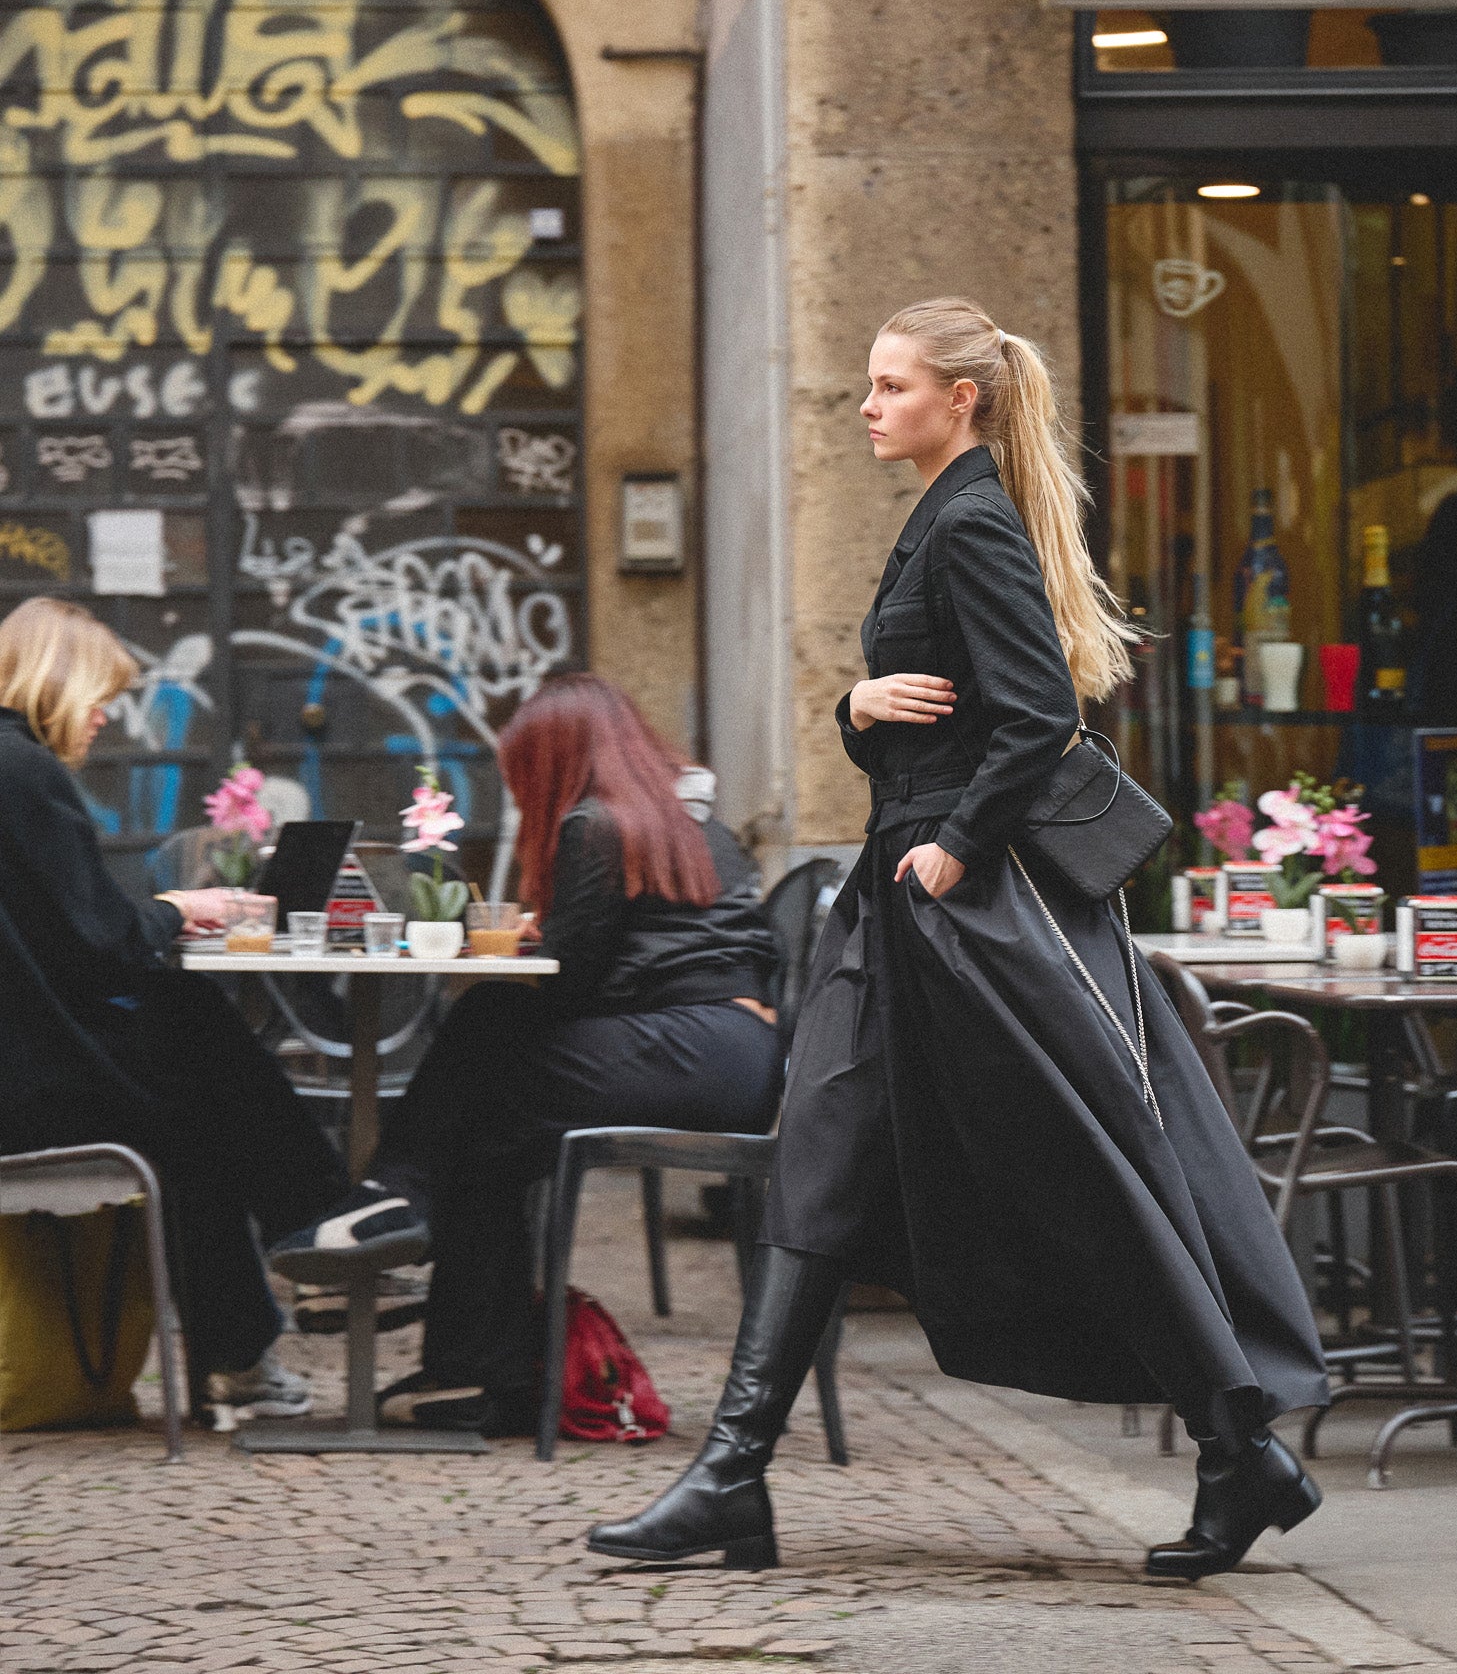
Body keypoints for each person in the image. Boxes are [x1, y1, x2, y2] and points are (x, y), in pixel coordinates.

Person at [589, 299, 1330, 1581]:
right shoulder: (944, 514)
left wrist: (959, 844)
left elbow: (1037, 712)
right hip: (905, 907)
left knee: (1091, 1171)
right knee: (816, 1157)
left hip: (967, 910)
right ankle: (731, 1476)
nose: (867, 404)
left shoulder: (973, 518)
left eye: (891, 385)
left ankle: (1241, 1445)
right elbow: (948, 710)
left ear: (960, 399)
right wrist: (855, 703)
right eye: (868, 384)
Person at [275, 673, 784, 1435]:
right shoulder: (686, 821)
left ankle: (397, 1200)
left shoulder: (595, 824)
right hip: (731, 1053)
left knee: (488, 1027)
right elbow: (636, 956)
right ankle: (472, 1370)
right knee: (490, 1133)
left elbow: (571, 982)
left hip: (690, 1046)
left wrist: (525, 953)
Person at [0, 596, 351, 1418]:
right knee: (191, 1050)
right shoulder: (23, 772)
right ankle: (327, 1225)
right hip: (29, 1091)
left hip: (19, 1066)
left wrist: (158, 913)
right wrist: (176, 907)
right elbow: (100, 944)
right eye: (100, 698)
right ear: (57, 682)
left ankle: (292, 1279)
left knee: (188, 1069)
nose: (103, 720)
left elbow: (61, 942)